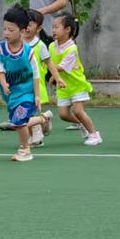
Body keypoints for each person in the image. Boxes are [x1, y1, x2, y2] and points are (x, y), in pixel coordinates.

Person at [0, 0, 68, 131]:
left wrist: (39, 13)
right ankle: (26, 117)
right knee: (28, 77)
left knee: (41, 77)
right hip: (37, 32)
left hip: (47, 34)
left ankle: (71, 114)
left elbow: (62, 1)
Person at [0, 6, 53, 162]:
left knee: (19, 121)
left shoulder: (28, 51)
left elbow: (36, 74)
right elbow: (0, 69)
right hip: (13, 92)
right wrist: (4, 84)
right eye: (4, 29)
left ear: (22, 31)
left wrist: (37, 96)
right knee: (18, 122)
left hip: (28, 92)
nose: (6, 33)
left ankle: (25, 150)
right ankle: (43, 119)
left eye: (10, 30)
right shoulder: (0, 49)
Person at [49, 12, 102, 146]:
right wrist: (52, 77)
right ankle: (81, 124)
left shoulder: (72, 48)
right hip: (63, 87)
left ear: (67, 30)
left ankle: (94, 134)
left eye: (56, 27)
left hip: (77, 85)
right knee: (63, 115)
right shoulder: (51, 46)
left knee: (78, 111)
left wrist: (52, 73)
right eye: (53, 27)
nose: (53, 30)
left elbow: (60, 67)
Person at [23, 9, 66, 147]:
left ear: (39, 28)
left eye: (30, 24)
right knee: (24, 112)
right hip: (20, 84)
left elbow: (49, 63)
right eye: (24, 24)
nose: (26, 27)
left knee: (30, 111)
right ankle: (44, 118)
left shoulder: (40, 46)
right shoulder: (17, 43)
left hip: (35, 84)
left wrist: (58, 78)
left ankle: (38, 136)